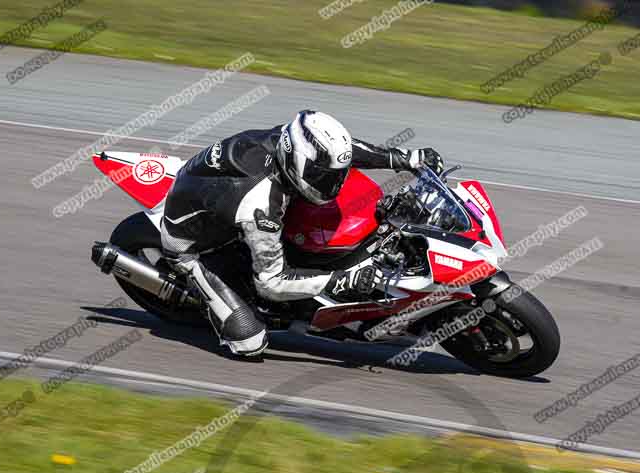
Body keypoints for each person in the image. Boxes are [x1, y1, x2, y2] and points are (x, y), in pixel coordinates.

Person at [160, 110, 443, 358]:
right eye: (323, 177)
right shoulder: (260, 205)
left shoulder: (294, 141)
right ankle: (200, 288)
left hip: (220, 200)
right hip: (197, 247)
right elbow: (270, 283)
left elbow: (345, 152)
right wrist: (338, 280)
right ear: (297, 163)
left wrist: (408, 158)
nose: (333, 183)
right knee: (250, 342)